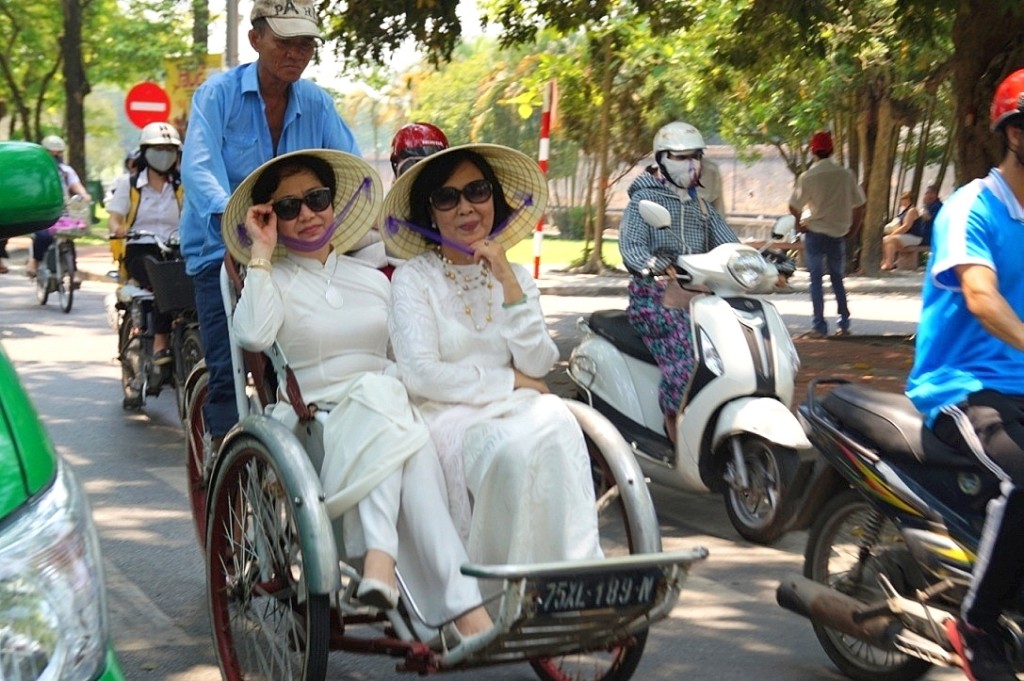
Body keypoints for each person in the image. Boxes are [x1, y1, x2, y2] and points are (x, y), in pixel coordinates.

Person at [224, 149, 491, 639]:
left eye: (316, 199)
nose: (305, 214)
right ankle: (437, 594)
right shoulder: (272, 280)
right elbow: (253, 338)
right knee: (386, 402)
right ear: (272, 219)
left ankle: (401, 575)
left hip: (391, 409)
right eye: (287, 208)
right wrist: (260, 254)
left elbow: (408, 355)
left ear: (334, 204)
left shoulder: (372, 279)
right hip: (321, 420)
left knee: (401, 416)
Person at [381, 144, 603, 569]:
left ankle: (576, 569)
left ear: (493, 200)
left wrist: (507, 282)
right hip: (449, 417)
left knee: (559, 422)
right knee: (513, 452)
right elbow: (422, 376)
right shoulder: (413, 279)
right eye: (448, 198)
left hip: (518, 409)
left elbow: (538, 365)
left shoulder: (515, 275)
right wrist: (510, 381)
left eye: (477, 191)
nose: (466, 207)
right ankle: (513, 586)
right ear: (431, 213)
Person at [178, 0, 359, 447]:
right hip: (220, 249)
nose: (296, 53)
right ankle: (225, 460)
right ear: (256, 38)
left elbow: (349, 169)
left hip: (292, 248)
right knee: (228, 368)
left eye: (306, 44)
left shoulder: (317, 103)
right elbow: (199, 169)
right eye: (285, 42)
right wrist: (236, 223)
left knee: (306, 355)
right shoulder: (217, 95)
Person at [905, 68, 1024, 681]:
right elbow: (981, 295)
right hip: (963, 386)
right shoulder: (973, 206)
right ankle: (975, 623)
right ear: (1012, 130)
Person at [618, 121, 738, 441]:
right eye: (681, 157)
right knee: (687, 352)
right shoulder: (642, 203)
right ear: (661, 159)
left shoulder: (701, 206)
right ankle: (676, 425)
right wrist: (655, 264)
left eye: (696, 157)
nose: (692, 165)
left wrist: (763, 264)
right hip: (655, 298)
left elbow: (729, 246)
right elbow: (631, 249)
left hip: (699, 298)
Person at [107, 122, 184, 367]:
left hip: (174, 248)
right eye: (157, 149)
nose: (164, 155)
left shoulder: (181, 186)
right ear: (145, 152)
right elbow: (114, 218)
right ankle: (160, 342)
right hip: (140, 249)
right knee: (161, 280)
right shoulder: (129, 185)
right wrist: (118, 228)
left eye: (170, 150)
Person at [788, 130, 866, 337]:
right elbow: (860, 205)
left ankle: (819, 326)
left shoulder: (808, 177)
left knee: (815, 280)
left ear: (813, 152)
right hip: (838, 233)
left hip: (814, 232)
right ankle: (844, 322)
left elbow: (793, 205)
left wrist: (799, 225)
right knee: (837, 278)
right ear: (832, 150)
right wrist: (854, 229)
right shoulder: (846, 174)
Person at [27, 135, 91, 278]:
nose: (56, 155)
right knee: (43, 236)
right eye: (52, 152)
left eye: (59, 152)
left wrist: (84, 195)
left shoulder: (66, 171)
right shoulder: (36, 171)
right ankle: (35, 261)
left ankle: (72, 270)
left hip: (63, 211)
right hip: (42, 211)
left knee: (69, 235)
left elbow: (76, 185)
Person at [879, 190, 923, 270]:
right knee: (885, 239)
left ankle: (889, 263)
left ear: (908, 199)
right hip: (905, 236)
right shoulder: (903, 212)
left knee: (891, 239)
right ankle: (884, 262)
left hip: (914, 237)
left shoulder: (912, 210)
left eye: (902, 199)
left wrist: (892, 235)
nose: (900, 201)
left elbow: (906, 226)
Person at [919, 182, 943, 247]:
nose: (926, 195)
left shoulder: (937, 206)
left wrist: (924, 206)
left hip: (931, 237)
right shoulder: (930, 205)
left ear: (933, 194)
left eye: (927, 193)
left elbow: (928, 217)